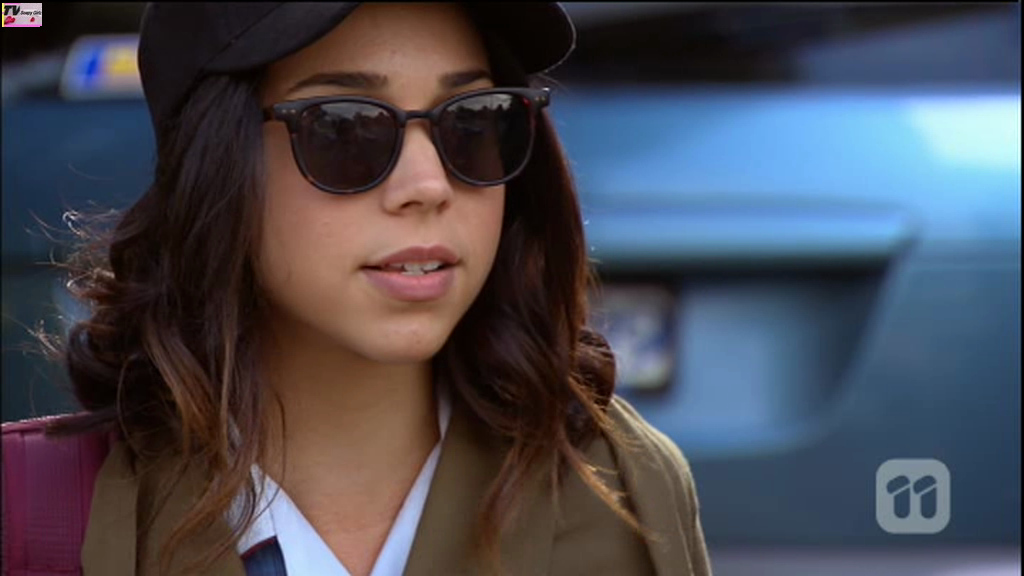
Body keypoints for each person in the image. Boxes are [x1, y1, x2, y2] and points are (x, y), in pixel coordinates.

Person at [6, 3, 712, 575]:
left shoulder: (625, 492)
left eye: (473, 121)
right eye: (345, 128)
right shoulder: (37, 513)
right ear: (213, 161)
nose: (428, 185)